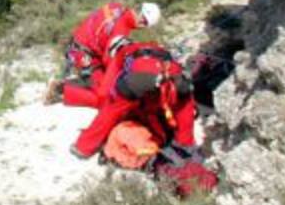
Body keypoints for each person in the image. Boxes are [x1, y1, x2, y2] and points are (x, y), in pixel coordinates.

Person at [69, 39, 197, 160]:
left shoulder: (121, 53)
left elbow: (108, 87)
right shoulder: (155, 47)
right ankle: (185, 144)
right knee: (183, 103)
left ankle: (83, 147)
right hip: (173, 73)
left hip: (141, 79)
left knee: (111, 110)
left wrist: (111, 99)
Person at [44, 1, 161, 109]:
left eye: (145, 23)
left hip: (78, 42)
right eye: (144, 22)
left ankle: (64, 86)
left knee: (100, 80)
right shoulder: (121, 30)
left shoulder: (117, 6)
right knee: (104, 98)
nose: (141, 25)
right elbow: (109, 60)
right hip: (83, 54)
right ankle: (61, 91)